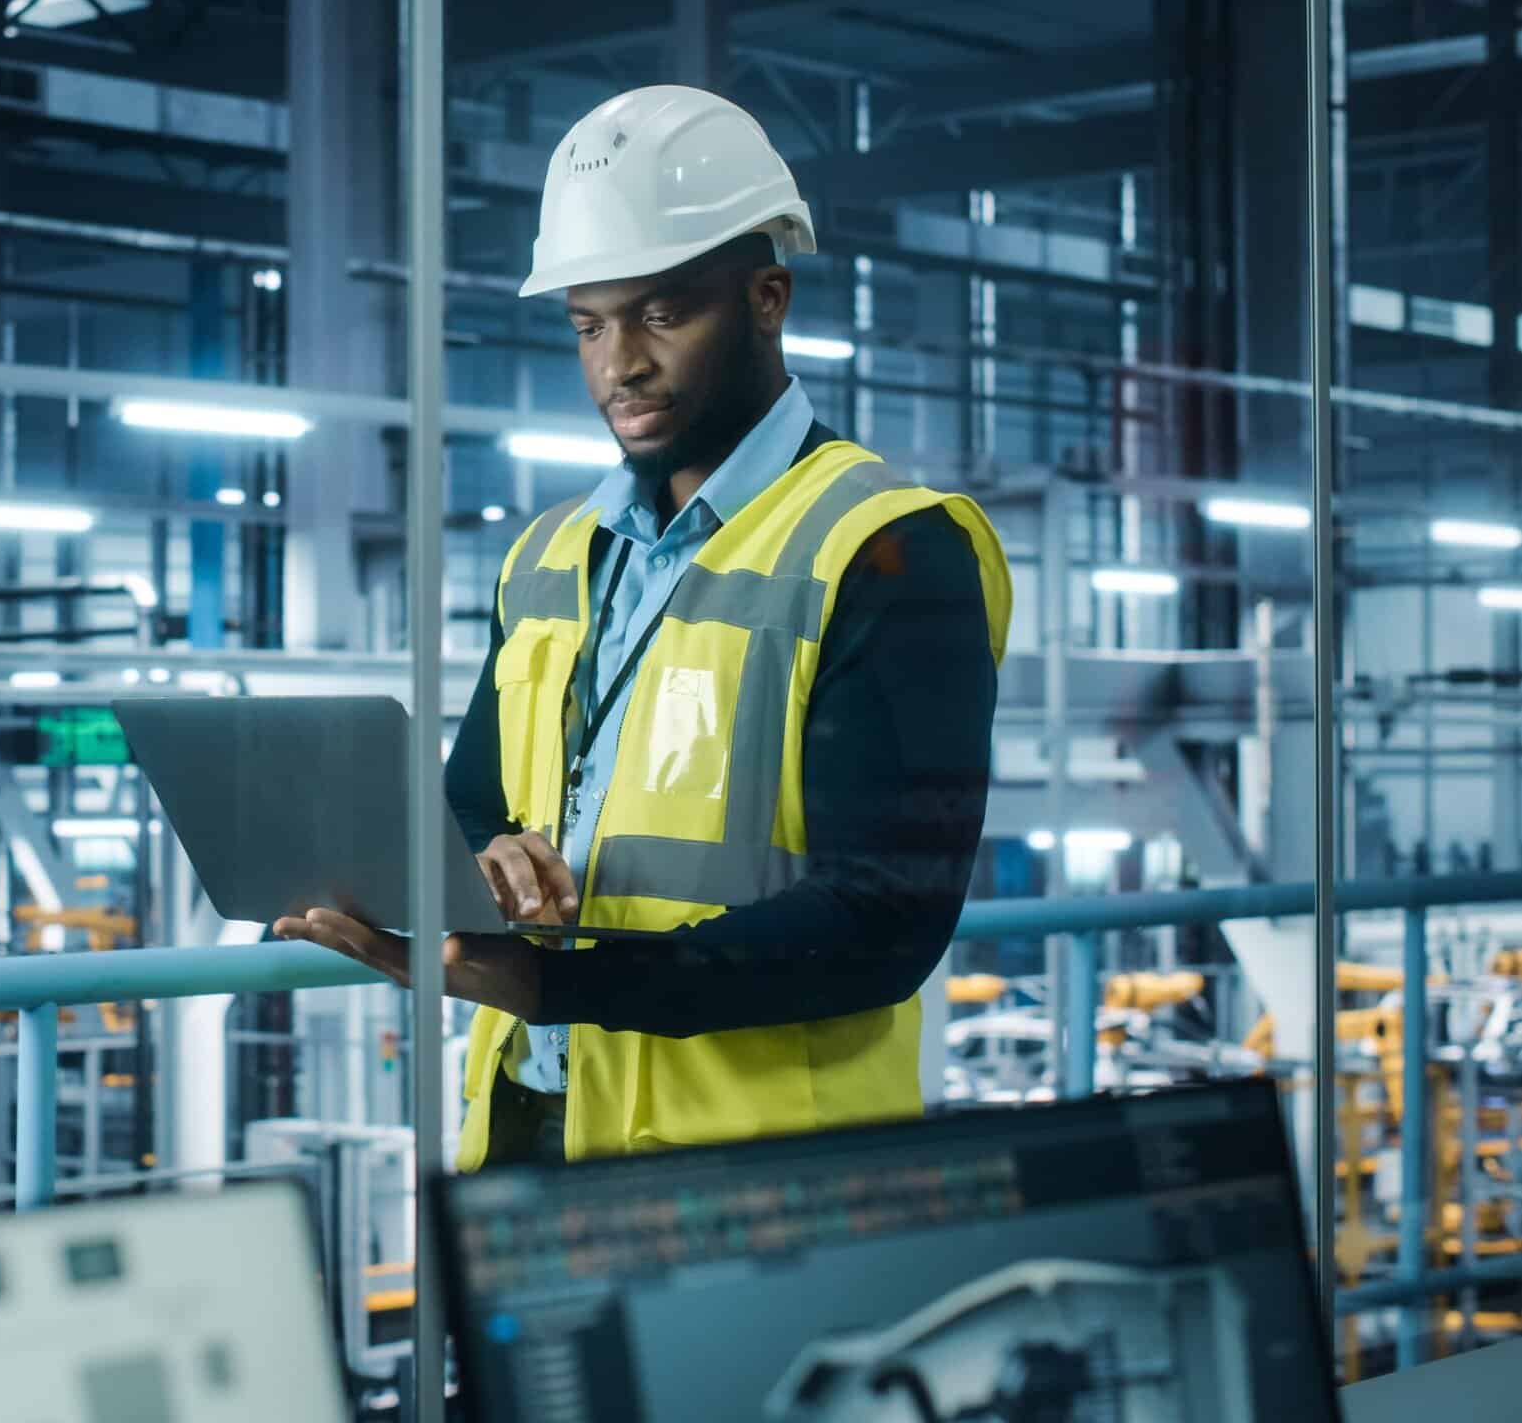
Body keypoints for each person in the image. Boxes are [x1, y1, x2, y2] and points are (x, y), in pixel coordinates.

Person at [276, 86, 1011, 1168]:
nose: (619, 363)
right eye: (589, 324)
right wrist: (485, 863)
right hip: (530, 1131)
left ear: (767, 297)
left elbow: (882, 924)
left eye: (662, 315)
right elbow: (473, 799)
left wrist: (554, 983)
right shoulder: (548, 556)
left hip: (758, 1172)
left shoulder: (888, 548)